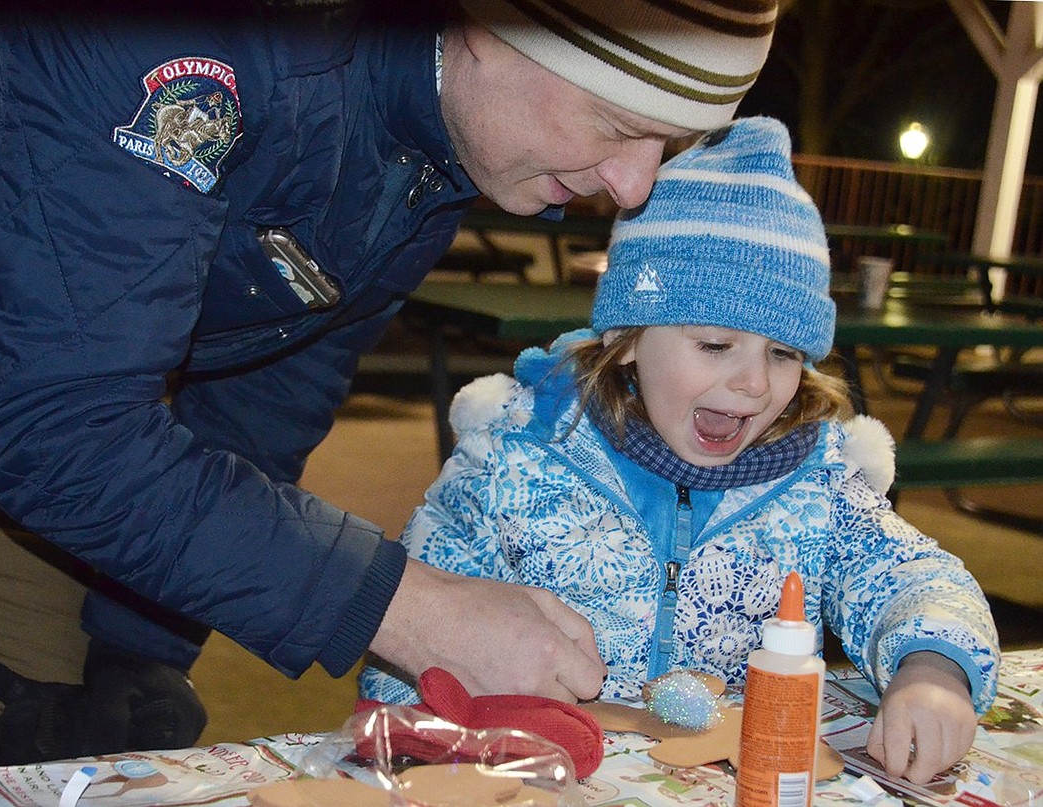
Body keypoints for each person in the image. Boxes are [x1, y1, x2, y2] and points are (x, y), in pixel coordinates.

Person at [0, 0, 780, 766]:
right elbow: (56, 429)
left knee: (93, 729)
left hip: (29, 377)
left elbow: (271, 380)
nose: (633, 187)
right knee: (12, 756)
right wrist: (412, 609)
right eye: (615, 122)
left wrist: (137, 643)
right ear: (488, 24)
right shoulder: (197, 44)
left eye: (664, 147)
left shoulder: (443, 139)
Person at [358, 117, 1000, 785]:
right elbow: (410, 641)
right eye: (715, 345)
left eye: (783, 354)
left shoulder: (818, 483)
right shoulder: (515, 461)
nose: (753, 384)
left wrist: (936, 670)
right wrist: (453, 731)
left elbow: (914, 575)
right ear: (630, 337)